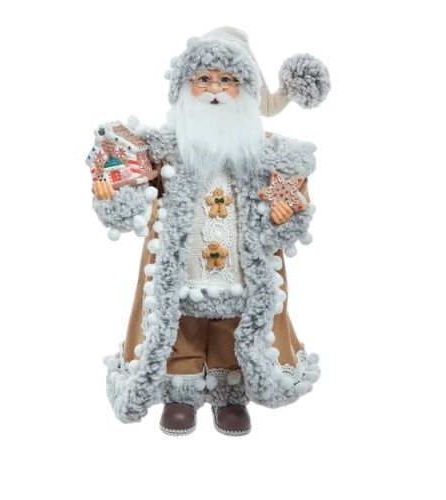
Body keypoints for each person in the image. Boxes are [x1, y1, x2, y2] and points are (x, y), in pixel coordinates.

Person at [90, 27, 330, 435]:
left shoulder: (269, 154)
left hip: (238, 267)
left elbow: (291, 201)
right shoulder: (166, 148)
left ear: (245, 89)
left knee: (232, 325)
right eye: (204, 78)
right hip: (183, 266)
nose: (215, 89)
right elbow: (136, 188)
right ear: (186, 86)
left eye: (227, 80)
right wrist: (113, 194)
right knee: (180, 323)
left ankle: (229, 392)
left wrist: (281, 215)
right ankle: (180, 392)